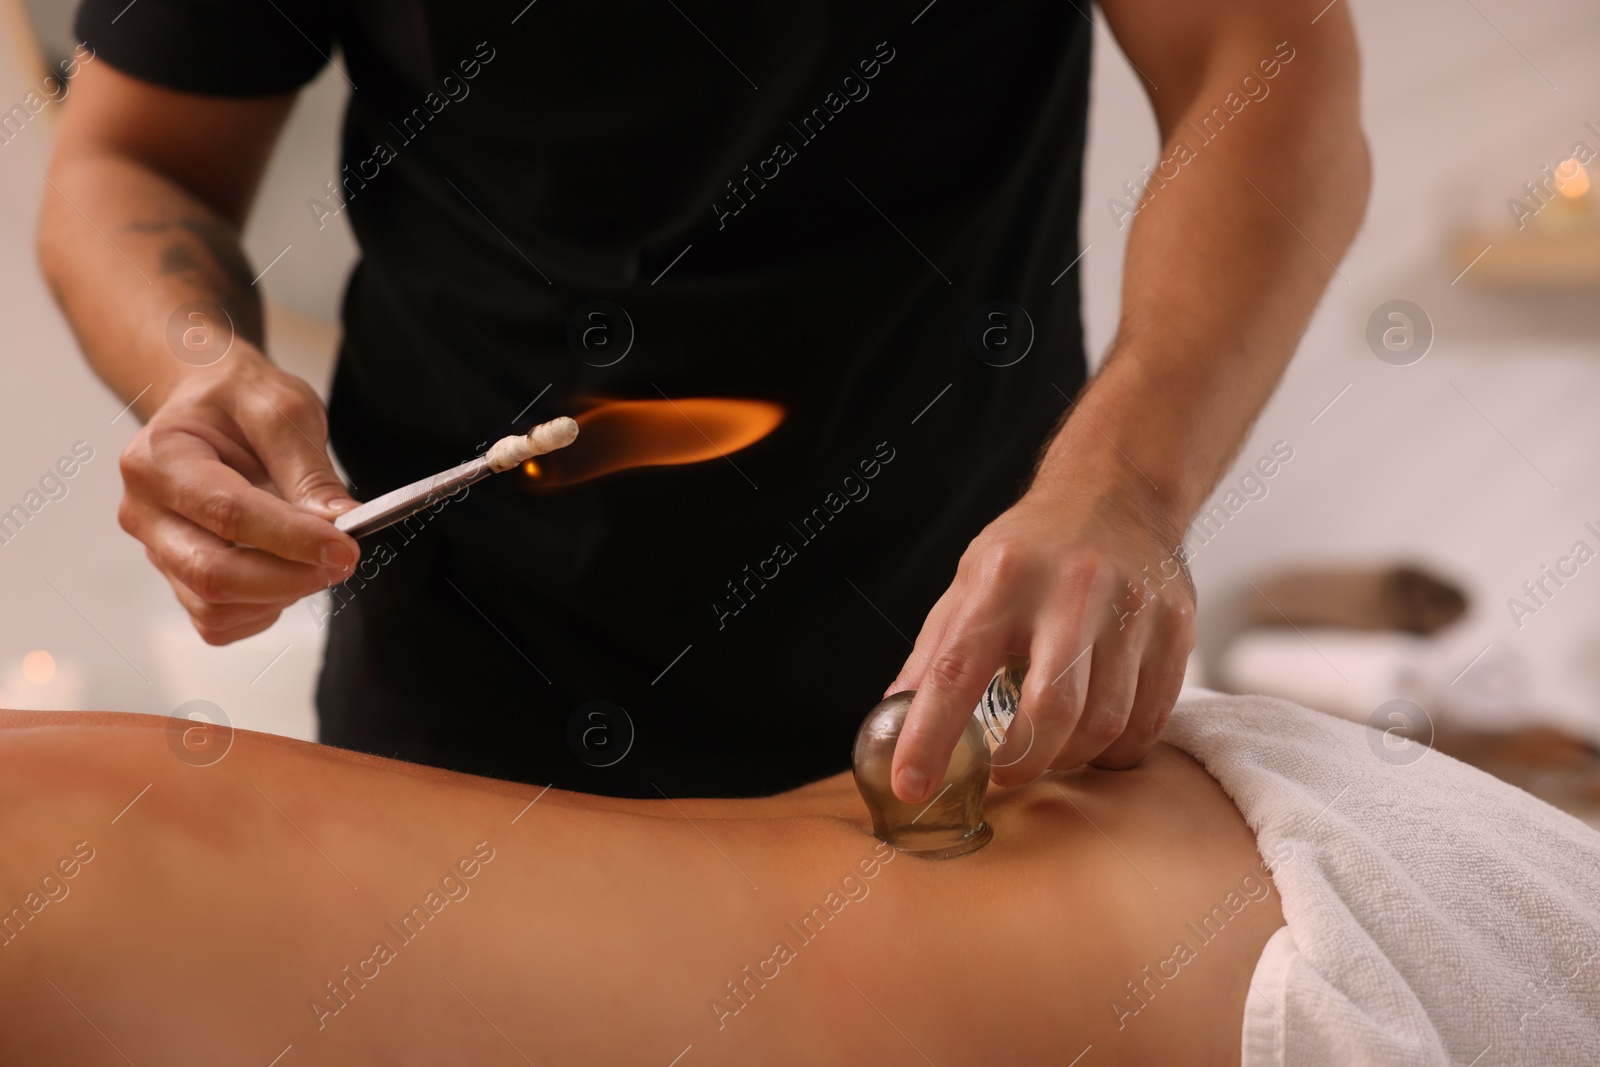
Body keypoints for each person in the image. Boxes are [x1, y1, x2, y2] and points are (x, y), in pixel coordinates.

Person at [38, 1, 1368, 799]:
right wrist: (196, 368)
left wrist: (1126, 487)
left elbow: (1271, 71)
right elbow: (130, 157)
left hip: (958, 678)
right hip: (459, 681)